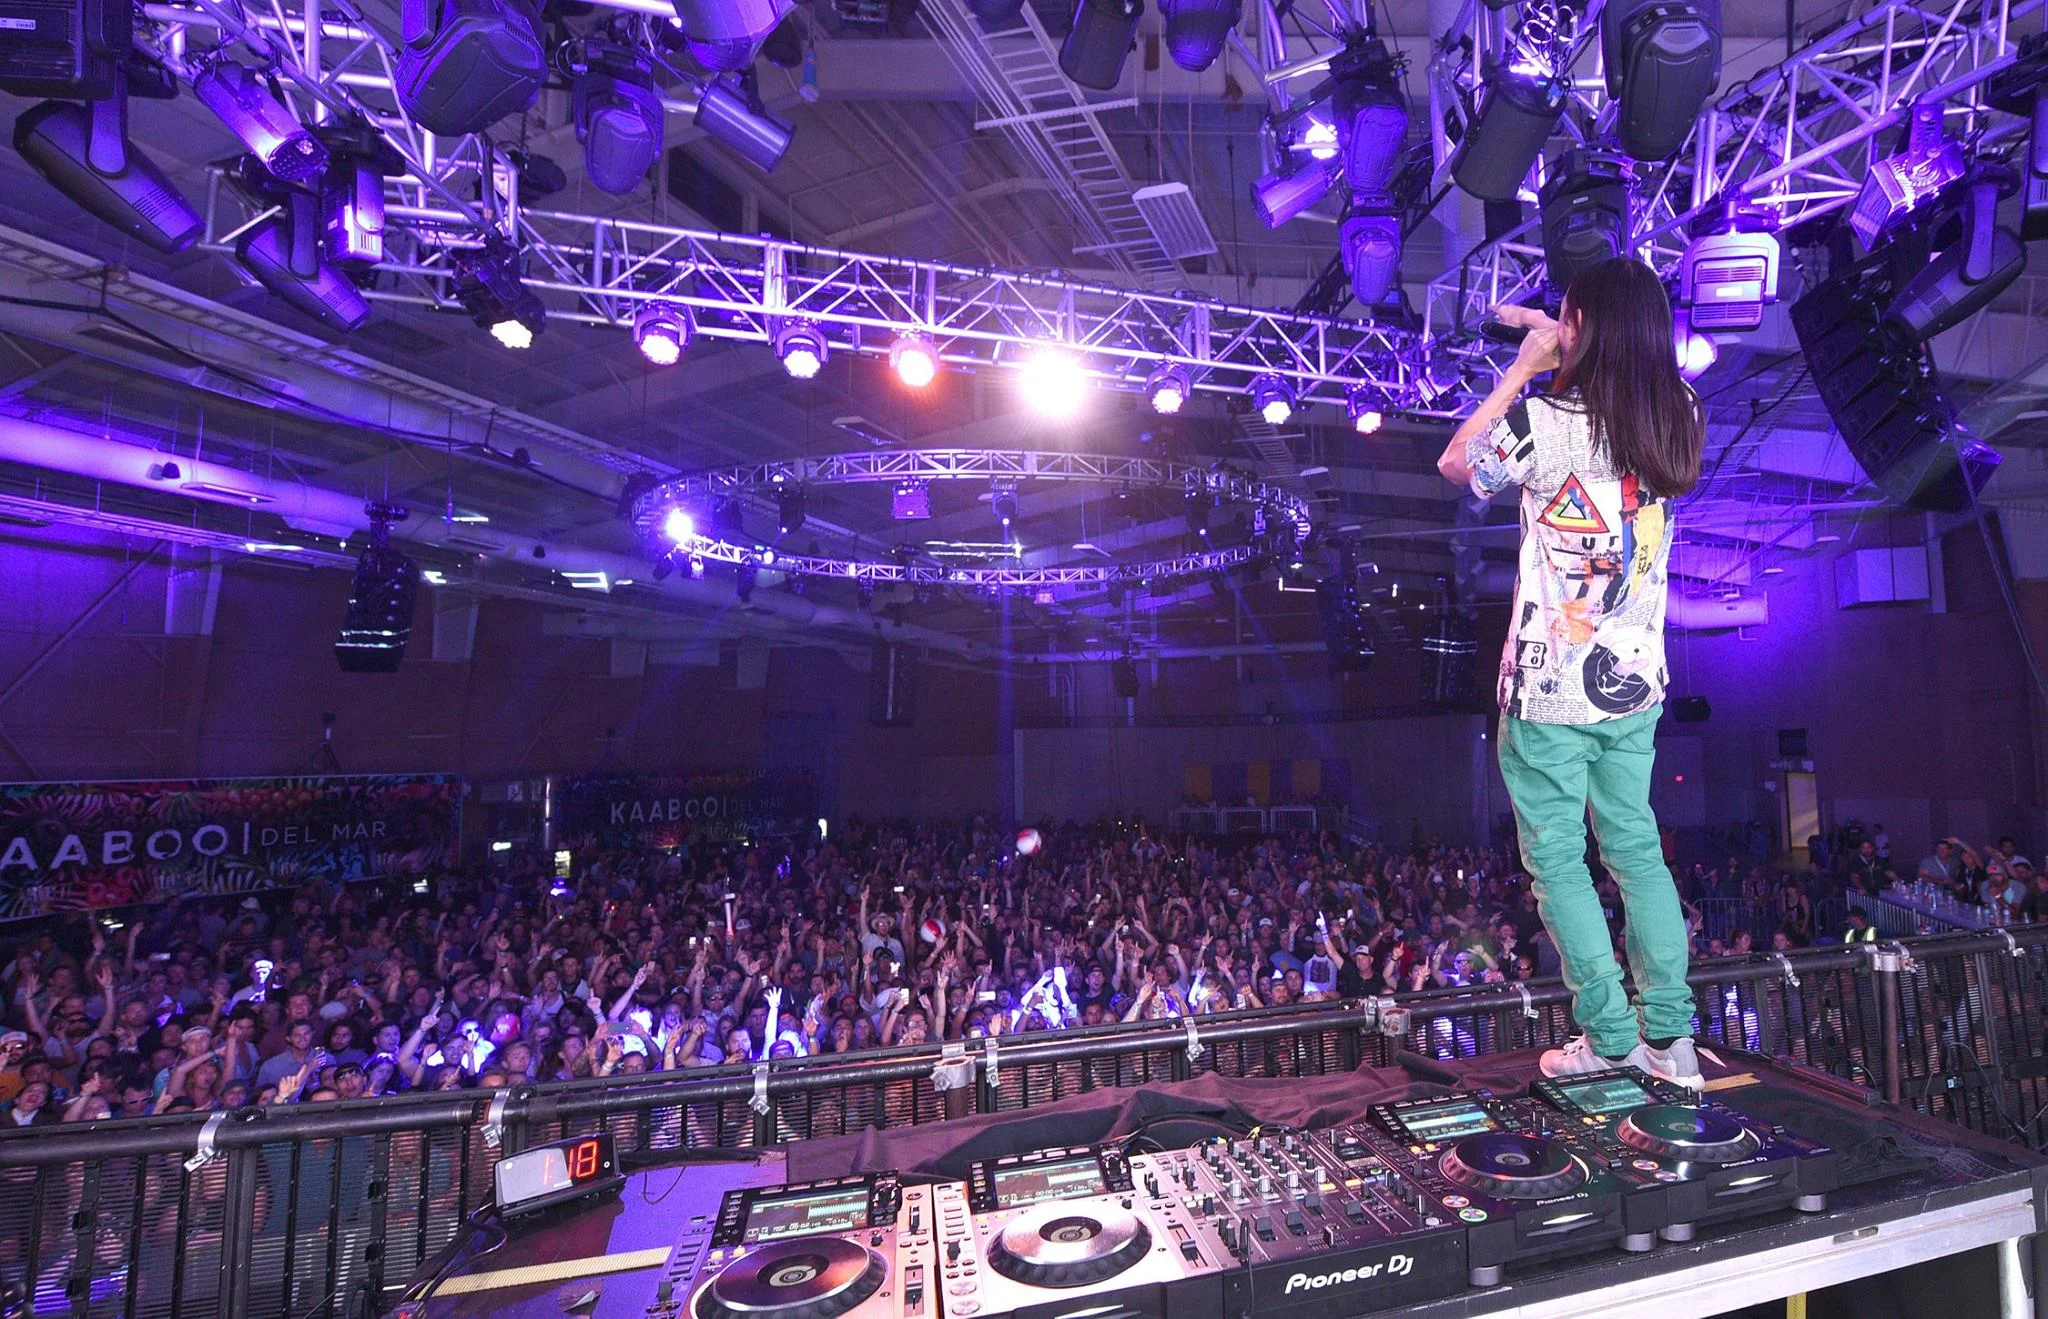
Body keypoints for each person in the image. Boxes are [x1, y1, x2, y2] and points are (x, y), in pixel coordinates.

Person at [1437, 258, 1706, 1089]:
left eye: (1566, 316)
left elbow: (1458, 462)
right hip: (1634, 682)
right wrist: (1572, 339)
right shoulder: (1682, 414)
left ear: (1580, 327)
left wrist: (1524, 366)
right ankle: (1673, 1041)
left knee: (1559, 863)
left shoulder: (1543, 422)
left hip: (1550, 689)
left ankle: (1612, 1040)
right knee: (1637, 852)